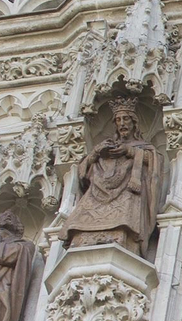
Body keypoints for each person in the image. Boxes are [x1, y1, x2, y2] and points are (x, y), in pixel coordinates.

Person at [63, 96, 163, 256]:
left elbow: (155, 162)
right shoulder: (107, 144)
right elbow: (83, 172)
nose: (122, 123)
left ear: (134, 122)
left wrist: (129, 151)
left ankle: (122, 237)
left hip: (128, 191)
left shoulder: (143, 147)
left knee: (125, 217)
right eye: (118, 120)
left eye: (126, 119)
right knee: (81, 218)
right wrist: (96, 152)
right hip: (98, 190)